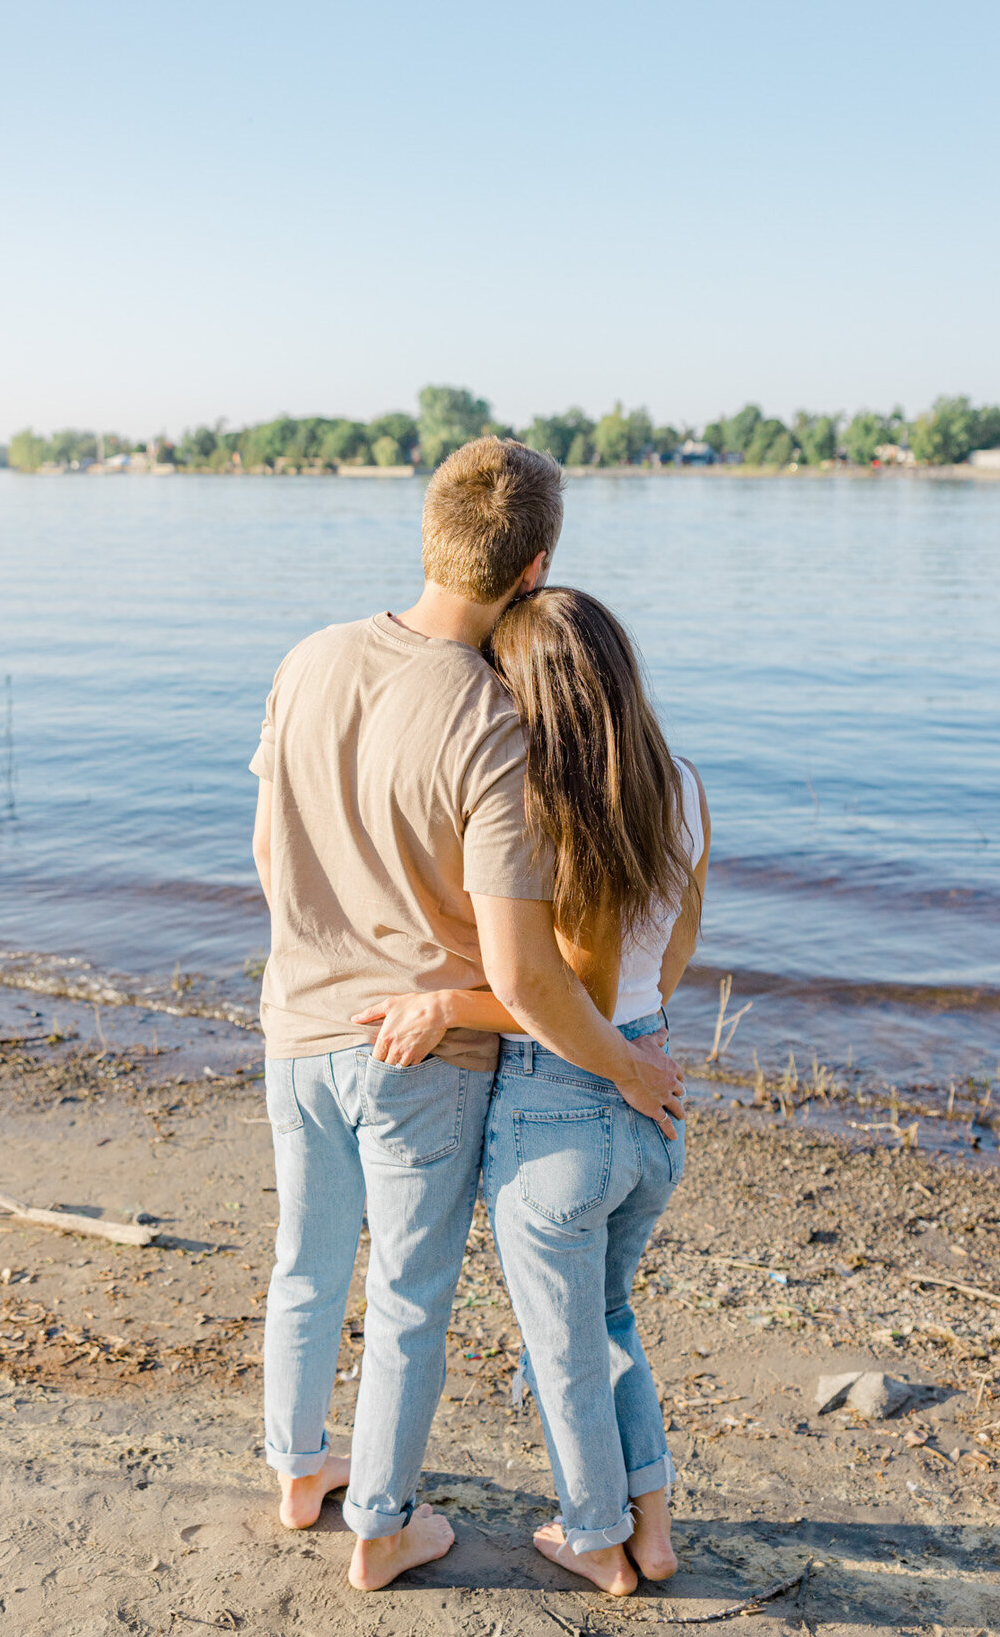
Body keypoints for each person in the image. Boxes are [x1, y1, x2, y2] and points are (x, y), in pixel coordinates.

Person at [249, 439, 685, 1592]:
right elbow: (532, 975)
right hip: (421, 1052)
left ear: (429, 528)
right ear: (535, 564)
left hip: (294, 1025)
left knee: (305, 1261)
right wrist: (630, 1072)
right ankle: (380, 1524)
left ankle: (300, 1468)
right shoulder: (494, 713)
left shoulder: (310, 656)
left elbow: (270, 850)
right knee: (407, 1296)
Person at [356, 586, 709, 1595]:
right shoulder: (684, 786)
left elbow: (562, 995)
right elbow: (666, 958)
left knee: (565, 1347)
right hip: (651, 1085)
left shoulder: (551, 807)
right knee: (606, 1320)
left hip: (569, 1099)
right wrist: (636, 1051)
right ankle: (653, 1529)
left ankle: (597, 1538)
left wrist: (449, 1007)